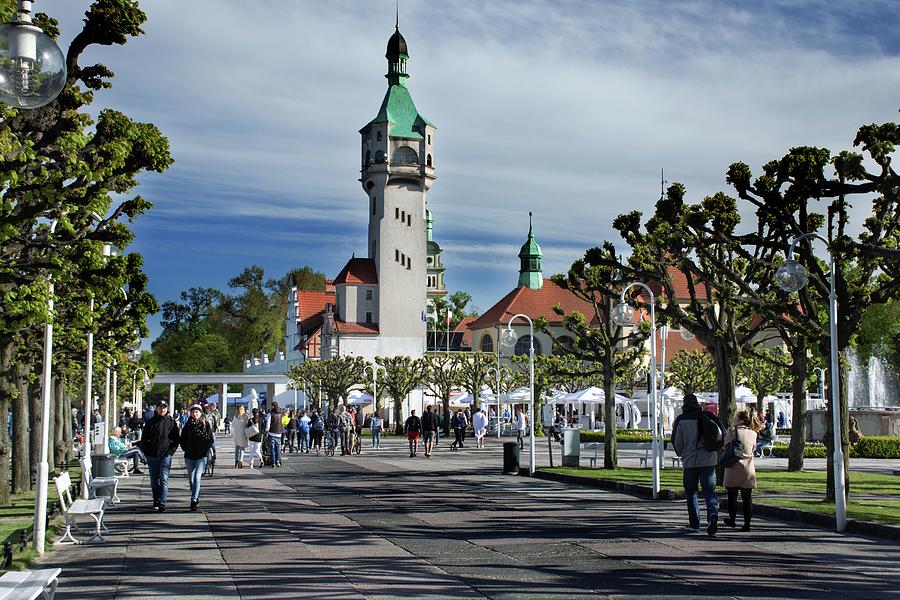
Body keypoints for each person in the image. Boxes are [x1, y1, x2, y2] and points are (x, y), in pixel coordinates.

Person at [672, 392, 722, 535]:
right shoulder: (708, 416)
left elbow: (677, 442)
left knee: (691, 492)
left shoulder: (681, 420)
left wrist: (682, 453)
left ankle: (695, 524)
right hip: (709, 460)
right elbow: (720, 434)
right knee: (709, 491)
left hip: (690, 461)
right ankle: (713, 513)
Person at [139, 401, 180, 512]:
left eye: (164, 408)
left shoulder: (171, 422)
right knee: (154, 480)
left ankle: (162, 502)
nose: (162, 410)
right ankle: (156, 499)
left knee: (163, 478)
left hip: (165, 455)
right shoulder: (150, 422)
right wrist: (147, 453)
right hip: (152, 455)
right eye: (160, 407)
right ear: (156, 409)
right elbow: (144, 439)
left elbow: (176, 439)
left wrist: (170, 452)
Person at [723, 410, 757, 532]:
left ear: (739, 419)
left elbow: (725, 444)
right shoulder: (753, 433)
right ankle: (747, 524)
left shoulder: (732, 431)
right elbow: (753, 449)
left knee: (732, 495)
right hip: (748, 468)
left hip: (733, 466)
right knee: (747, 498)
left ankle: (732, 520)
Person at [180, 404, 214, 512]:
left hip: (201, 455)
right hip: (189, 455)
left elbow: (210, 439)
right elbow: (182, 439)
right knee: (191, 478)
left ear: (200, 413)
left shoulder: (205, 424)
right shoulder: (187, 425)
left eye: (197, 412)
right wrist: (185, 448)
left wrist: (205, 449)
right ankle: (195, 494)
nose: (195, 414)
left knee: (197, 477)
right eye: (193, 412)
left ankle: (193, 500)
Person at [266, 402, 284, 467]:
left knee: (272, 449)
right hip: (279, 433)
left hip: (272, 433)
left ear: (273, 406)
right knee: (278, 449)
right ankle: (278, 461)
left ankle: (273, 463)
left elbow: (268, 423)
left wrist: (267, 430)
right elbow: (282, 423)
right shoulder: (281, 414)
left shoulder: (270, 414)